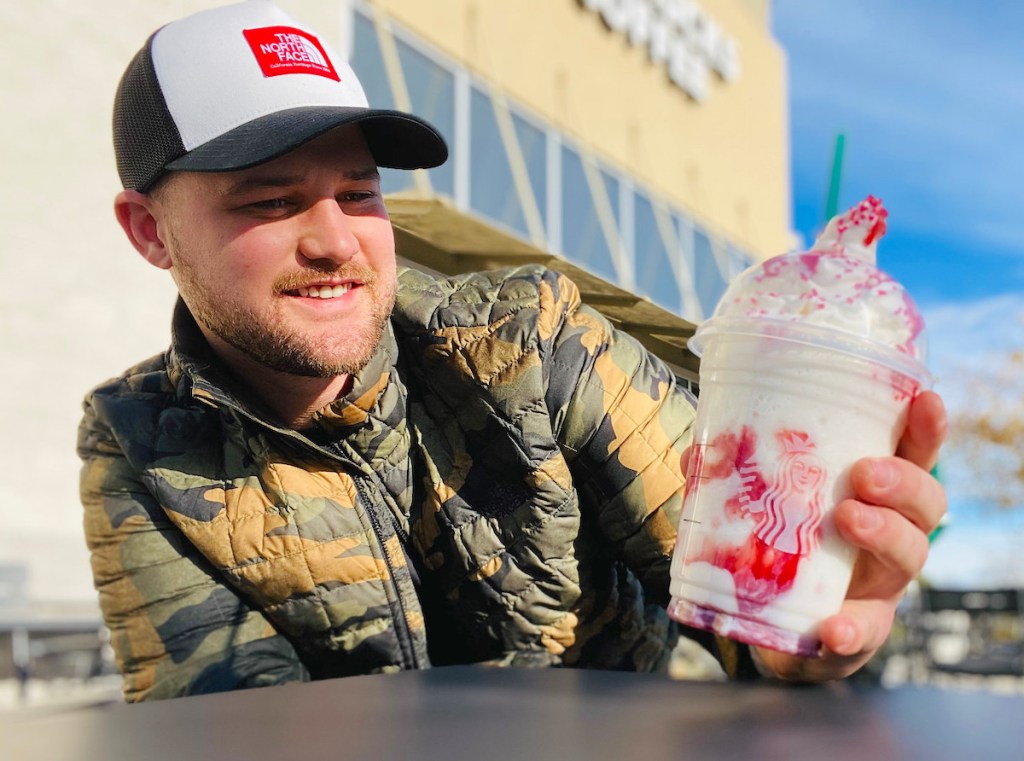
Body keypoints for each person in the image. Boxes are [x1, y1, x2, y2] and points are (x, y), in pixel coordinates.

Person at [79, 0, 948, 702]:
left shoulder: (531, 341)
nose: (337, 240)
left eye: (358, 191)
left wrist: (803, 641)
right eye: (270, 200)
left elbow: (747, 602)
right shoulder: (136, 440)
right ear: (149, 230)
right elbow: (229, 726)